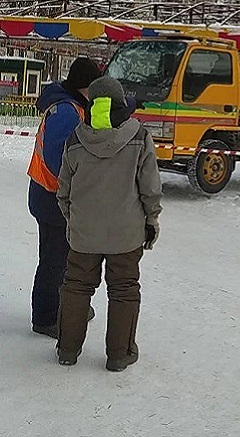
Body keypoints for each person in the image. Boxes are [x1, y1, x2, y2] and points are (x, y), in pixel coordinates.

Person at [55, 75, 162, 370]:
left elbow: (63, 190)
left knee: (76, 287)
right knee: (124, 289)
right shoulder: (139, 137)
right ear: (120, 102)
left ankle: (67, 350)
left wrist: (74, 220)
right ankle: (119, 354)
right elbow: (150, 187)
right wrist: (151, 219)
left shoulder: (76, 139)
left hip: (84, 235)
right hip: (126, 235)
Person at [27, 56, 101, 339]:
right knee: (54, 260)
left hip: (53, 197)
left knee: (64, 258)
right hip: (51, 198)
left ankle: (65, 306)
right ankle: (46, 317)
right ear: (84, 86)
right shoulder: (66, 112)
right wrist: (79, 187)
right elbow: (57, 160)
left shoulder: (74, 107)